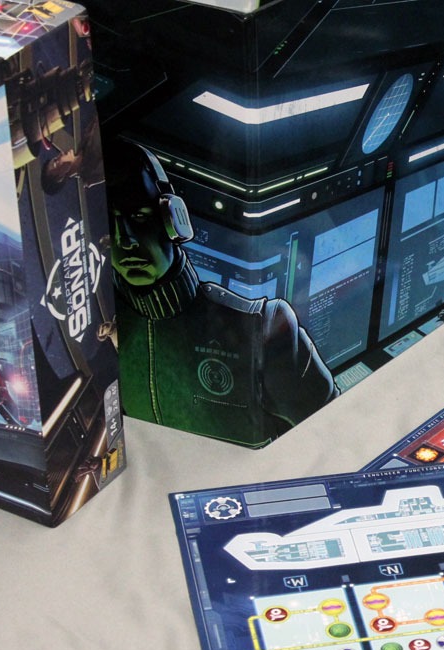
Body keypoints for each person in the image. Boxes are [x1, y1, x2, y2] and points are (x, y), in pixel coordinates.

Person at [104, 140, 338, 447]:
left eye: (139, 217)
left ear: (173, 220)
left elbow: (332, 434)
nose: (125, 240)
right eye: (109, 223)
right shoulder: (100, 331)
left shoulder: (263, 326)